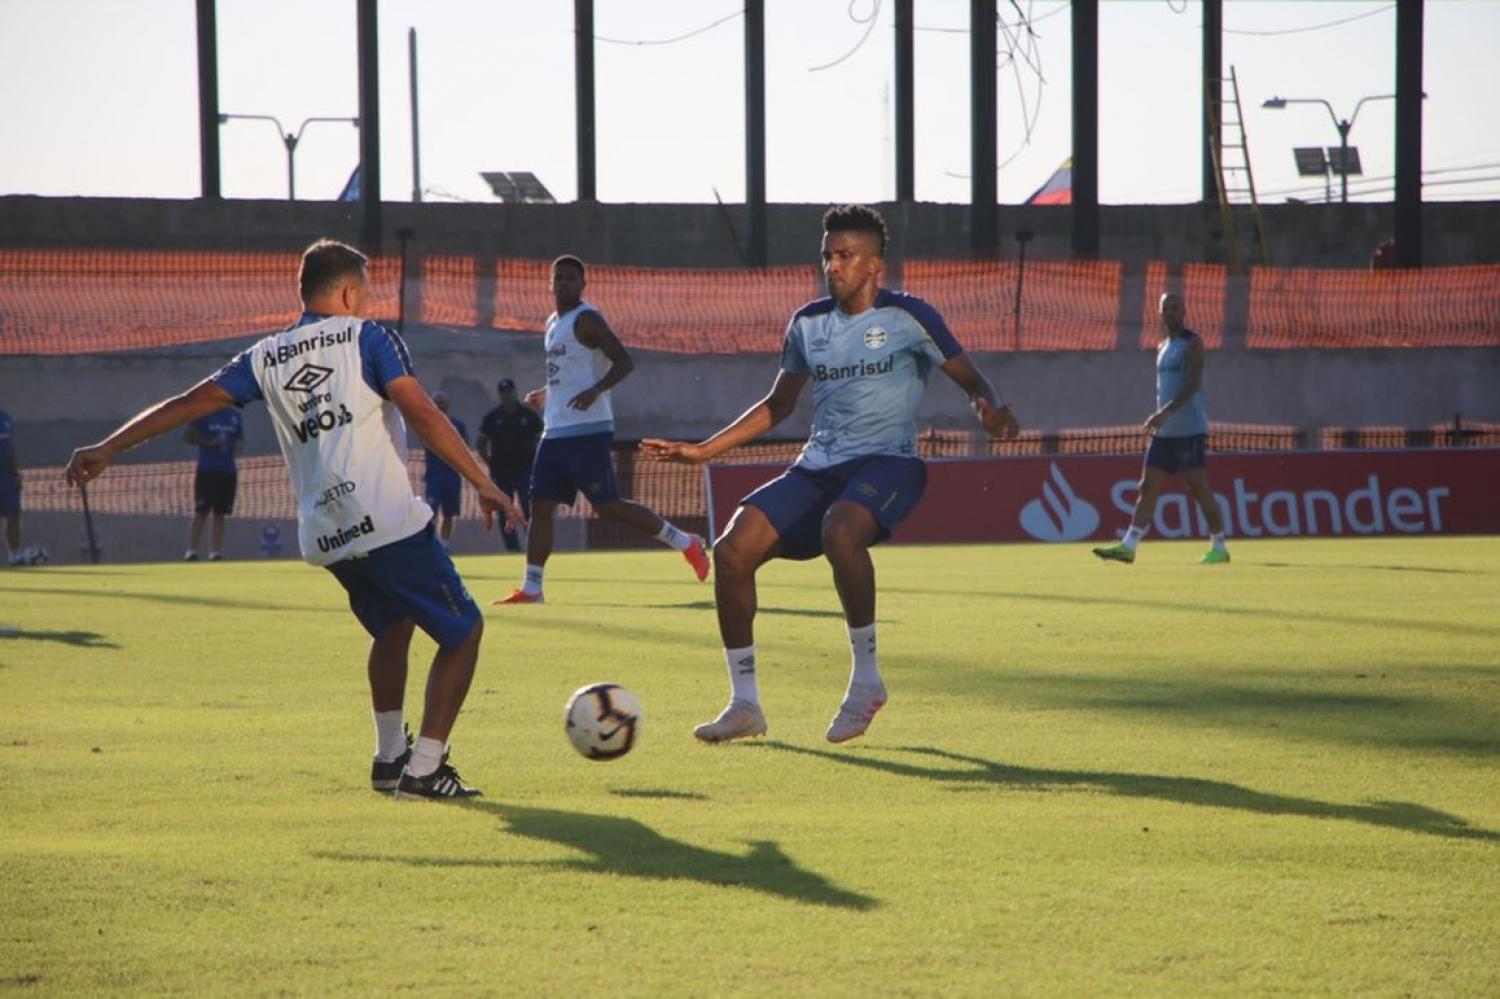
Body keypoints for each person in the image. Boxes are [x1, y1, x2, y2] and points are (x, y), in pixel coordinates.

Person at [65, 238, 525, 800]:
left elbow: (186, 402)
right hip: (385, 519)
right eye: (367, 290)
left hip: (327, 533)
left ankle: (388, 759)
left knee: (394, 625)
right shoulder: (368, 337)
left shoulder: (265, 355)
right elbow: (422, 413)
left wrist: (108, 447)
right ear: (350, 291)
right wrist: (484, 483)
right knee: (464, 631)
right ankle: (426, 769)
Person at [641, 205, 1019, 744]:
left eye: (845, 256)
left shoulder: (910, 316)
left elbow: (969, 376)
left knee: (840, 530)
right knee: (731, 551)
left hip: (890, 462)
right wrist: (704, 451)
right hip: (818, 466)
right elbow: (778, 405)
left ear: (874, 266)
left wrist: (989, 407)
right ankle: (744, 704)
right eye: (827, 255)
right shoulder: (808, 323)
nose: (833, 265)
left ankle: (866, 682)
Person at [495, 254, 710, 605]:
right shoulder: (553, 322)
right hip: (554, 431)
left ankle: (686, 542)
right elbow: (569, 372)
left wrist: (596, 390)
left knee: (607, 506)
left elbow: (624, 362)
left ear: (583, 284)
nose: (564, 283)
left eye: (570, 279)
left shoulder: (587, 319)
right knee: (541, 504)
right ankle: (532, 589)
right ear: (550, 284)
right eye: (558, 278)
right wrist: (546, 392)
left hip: (587, 430)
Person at [1093, 292, 1229, 565]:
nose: (1170, 312)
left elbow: (1192, 386)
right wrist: (1162, 418)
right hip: (1165, 432)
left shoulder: (1193, 344)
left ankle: (1219, 546)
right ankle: (1129, 545)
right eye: (1165, 308)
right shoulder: (1162, 346)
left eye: (1175, 307)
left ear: (1184, 312)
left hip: (1188, 429)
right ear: (1159, 313)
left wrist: (1164, 413)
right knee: (1147, 485)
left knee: (1197, 486)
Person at [476, 377, 543, 553]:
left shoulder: (527, 415)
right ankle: (512, 547)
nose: (507, 397)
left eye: (510, 393)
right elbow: (481, 442)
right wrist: (490, 462)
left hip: (525, 469)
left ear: (515, 393)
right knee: (505, 510)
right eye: (503, 394)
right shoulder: (493, 417)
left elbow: (541, 439)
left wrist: (538, 461)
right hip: (502, 472)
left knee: (529, 508)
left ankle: (533, 545)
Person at [182, 405, 244, 561]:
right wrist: (210, 442)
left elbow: (240, 440)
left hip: (227, 470)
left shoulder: (234, 416)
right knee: (201, 510)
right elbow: (188, 436)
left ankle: (215, 552)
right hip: (207, 469)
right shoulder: (204, 412)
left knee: (220, 513)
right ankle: (192, 551)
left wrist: (235, 446)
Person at [421, 391, 468, 548]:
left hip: (452, 476)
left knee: (449, 513)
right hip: (434, 476)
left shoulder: (458, 425)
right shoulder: (427, 423)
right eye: (437, 404)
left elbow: (464, 446)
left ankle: (444, 545)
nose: (440, 407)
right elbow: (428, 444)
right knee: (430, 511)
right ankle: (428, 543)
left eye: (443, 404)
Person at [1, 407, 46, 567]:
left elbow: (10, 447)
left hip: (6, 477)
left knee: (13, 516)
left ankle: (14, 556)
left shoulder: (5, 418)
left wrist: (15, 473)